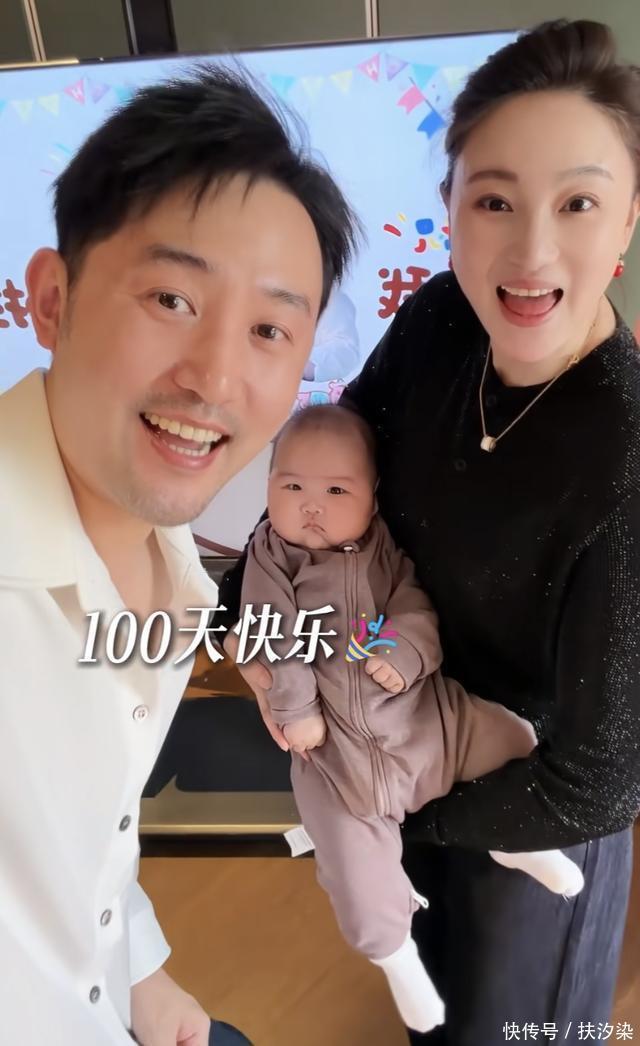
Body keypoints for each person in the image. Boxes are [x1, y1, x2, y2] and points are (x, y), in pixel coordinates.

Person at [220, 20, 640, 1044]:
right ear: (448, 205)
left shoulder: (623, 456)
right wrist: (248, 617)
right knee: (427, 1016)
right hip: (396, 742)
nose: (530, 253)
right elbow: (330, 467)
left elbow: (600, 775)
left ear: (628, 216)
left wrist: (397, 801)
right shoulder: (442, 318)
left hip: (527, 808)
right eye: (493, 200)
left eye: (578, 203)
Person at [0, 68, 358, 1045]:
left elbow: (76, 843)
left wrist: (142, 974)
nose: (215, 377)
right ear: (52, 299)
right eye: (171, 297)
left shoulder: (173, 571)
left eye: (269, 329)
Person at [239, 402, 584, 1033]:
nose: (311, 507)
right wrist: (297, 709)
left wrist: (401, 651)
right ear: (268, 489)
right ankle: (398, 961)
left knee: (513, 736)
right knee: (357, 876)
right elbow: (272, 635)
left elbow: (414, 607)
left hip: (424, 722)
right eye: (291, 488)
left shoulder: (383, 547)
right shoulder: (272, 559)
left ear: (373, 496)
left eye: (336, 491)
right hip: (336, 758)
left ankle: (513, 841)